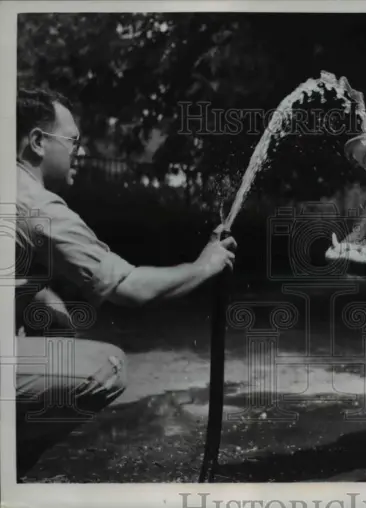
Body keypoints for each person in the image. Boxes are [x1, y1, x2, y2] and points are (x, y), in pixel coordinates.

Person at [13, 88, 237, 478]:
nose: (79, 153)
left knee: (49, 319)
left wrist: (41, 296)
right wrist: (205, 265)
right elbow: (130, 287)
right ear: (35, 142)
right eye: (73, 142)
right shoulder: (37, 205)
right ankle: (9, 468)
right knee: (107, 366)